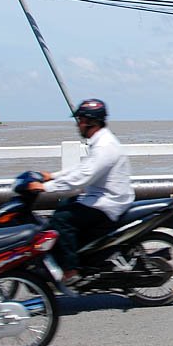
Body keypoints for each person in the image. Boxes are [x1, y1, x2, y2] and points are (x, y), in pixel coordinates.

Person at [28, 98, 134, 284]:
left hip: (108, 203)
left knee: (61, 220)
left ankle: (71, 270)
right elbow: (81, 168)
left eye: (80, 120)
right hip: (99, 197)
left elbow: (81, 179)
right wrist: (52, 176)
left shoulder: (104, 146)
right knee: (63, 208)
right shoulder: (99, 141)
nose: (78, 125)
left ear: (90, 121)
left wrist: (46, 187)